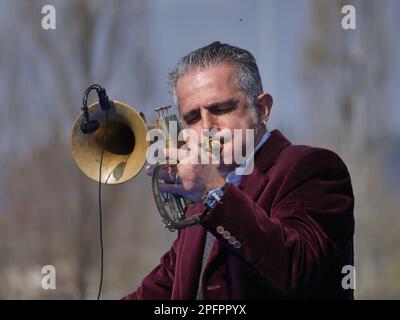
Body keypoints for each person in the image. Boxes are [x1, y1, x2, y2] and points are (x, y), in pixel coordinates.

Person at [123, 41, 354, 300]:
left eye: (221, 109)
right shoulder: (201, 200)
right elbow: (164, 286)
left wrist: (213, 190)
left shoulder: (313, 167)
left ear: (262, 109)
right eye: (192, 118)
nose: (207, 126)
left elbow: (296, 270)